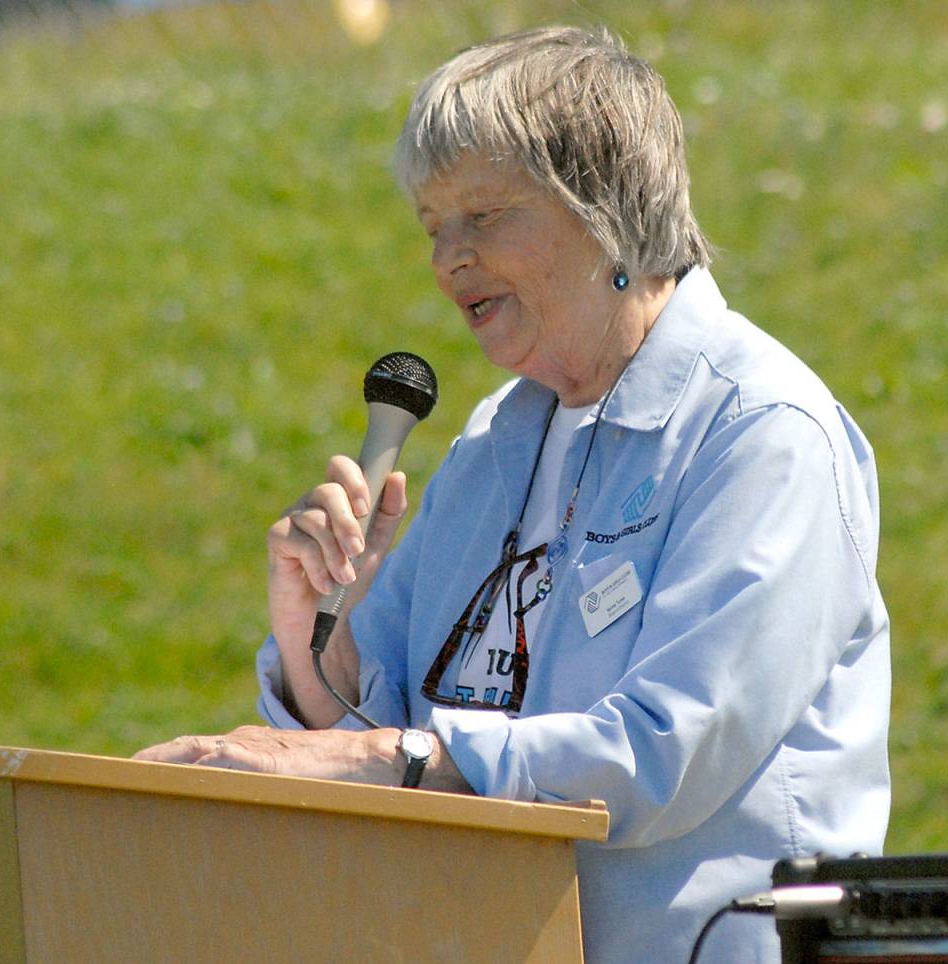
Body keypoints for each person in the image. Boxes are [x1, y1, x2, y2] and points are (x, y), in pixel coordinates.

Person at [136, 25, 891, 962]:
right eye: (432, 226)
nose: (447, 257)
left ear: (606, 208)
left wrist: (376, 757)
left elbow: (662, 753)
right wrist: (317, 643)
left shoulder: (763, 433)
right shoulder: (496, 443)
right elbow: (389, 746)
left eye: (482, 216)